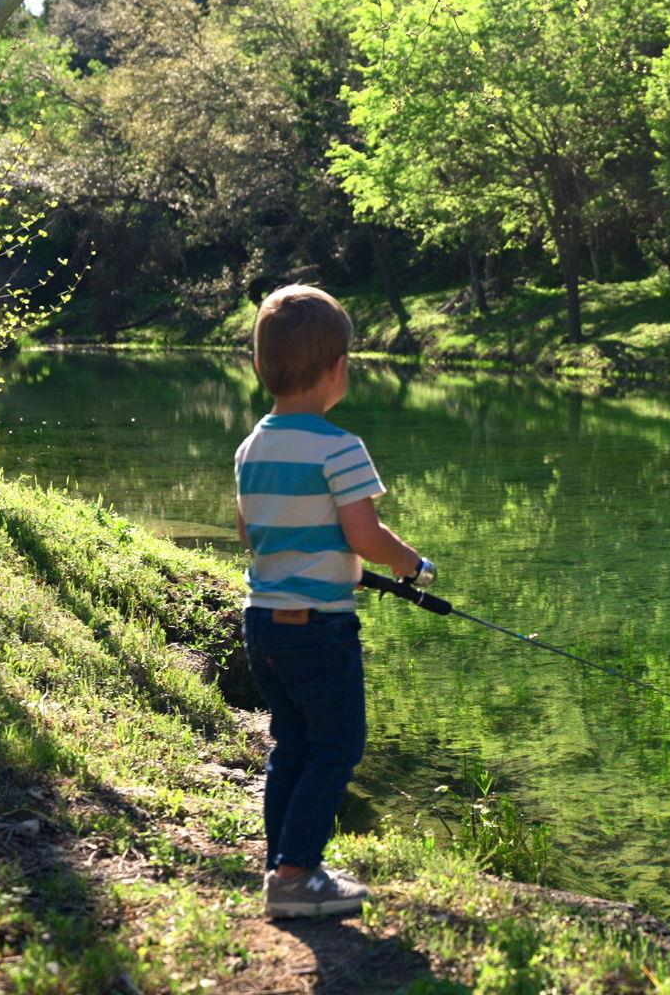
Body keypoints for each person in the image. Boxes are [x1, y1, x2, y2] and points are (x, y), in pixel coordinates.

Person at [233, 284, 436, 919]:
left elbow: (252, 533)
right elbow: (365, 536)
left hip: (263, 623)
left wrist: (325, 560)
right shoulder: (339, 447)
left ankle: (283, 867)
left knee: (291, 747)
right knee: (337, 747)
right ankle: (297, 876)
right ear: (338, 368)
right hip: (318, 630)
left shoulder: (251, 447)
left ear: (261, 364)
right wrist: (411, 565)